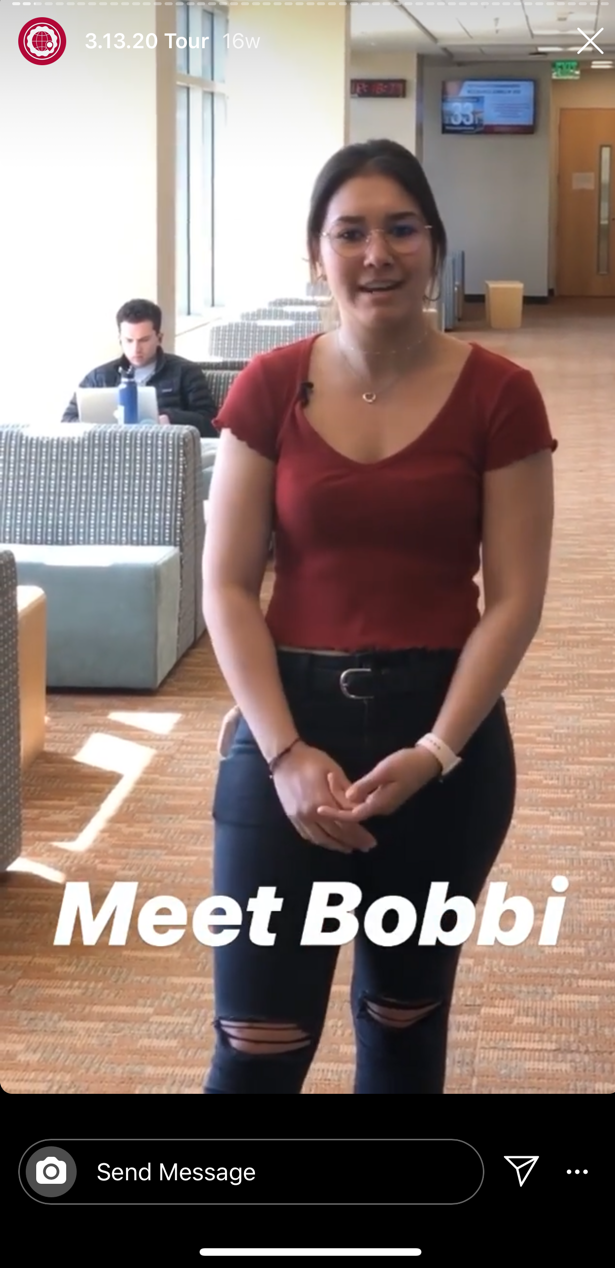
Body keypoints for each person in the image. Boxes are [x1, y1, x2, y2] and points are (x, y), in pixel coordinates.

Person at [202, 139, 557, 1094]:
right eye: (349, 232)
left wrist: (436, 751)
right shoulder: (270, 386)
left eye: (401, 229)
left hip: (443, 737)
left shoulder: (500, 395)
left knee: (403, 1018)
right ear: (314, 252)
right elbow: (226, 586)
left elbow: (514, 598)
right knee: (257, 1038)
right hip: (286, 725)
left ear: (434, 244)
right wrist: (283, 753)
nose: (376, 254)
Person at [61, 298, 218, 437]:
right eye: (129, 340)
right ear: (120, 340)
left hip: (166, 450)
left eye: (144, 340)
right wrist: (101, 428)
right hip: (111, 450)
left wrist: (170, 418)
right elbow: (67, 421)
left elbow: (211, 424)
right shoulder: (99, 377)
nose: (136, 349)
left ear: (159, 338)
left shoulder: (186, 372)